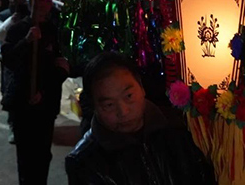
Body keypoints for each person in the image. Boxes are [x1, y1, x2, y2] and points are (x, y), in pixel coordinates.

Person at [65, 52, 216, 185]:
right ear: (95, 107)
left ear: (142, 88)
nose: (123, 111)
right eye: (109, 105)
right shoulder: (84, 162)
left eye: (129, 96)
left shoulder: (179, 128)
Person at [2, 0, 69, 185]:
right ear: (30, 2)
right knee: (25, 155)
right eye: (38, 0)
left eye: (46, 0)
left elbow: (60, 66)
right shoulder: (17, 29)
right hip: (22, 103)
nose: (42, 5)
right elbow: (9, 61)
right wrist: (26, 41)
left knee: (43, 154)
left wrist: (44, 90)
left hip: (46, 105)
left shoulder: (53, 30)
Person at [0, 0, 28, 144]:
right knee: (9, 91)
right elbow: (0, 33)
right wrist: (12, 20)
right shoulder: (3, 15)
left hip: (27, 59)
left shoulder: (30, 14)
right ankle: (13, 124)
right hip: (10, 60)